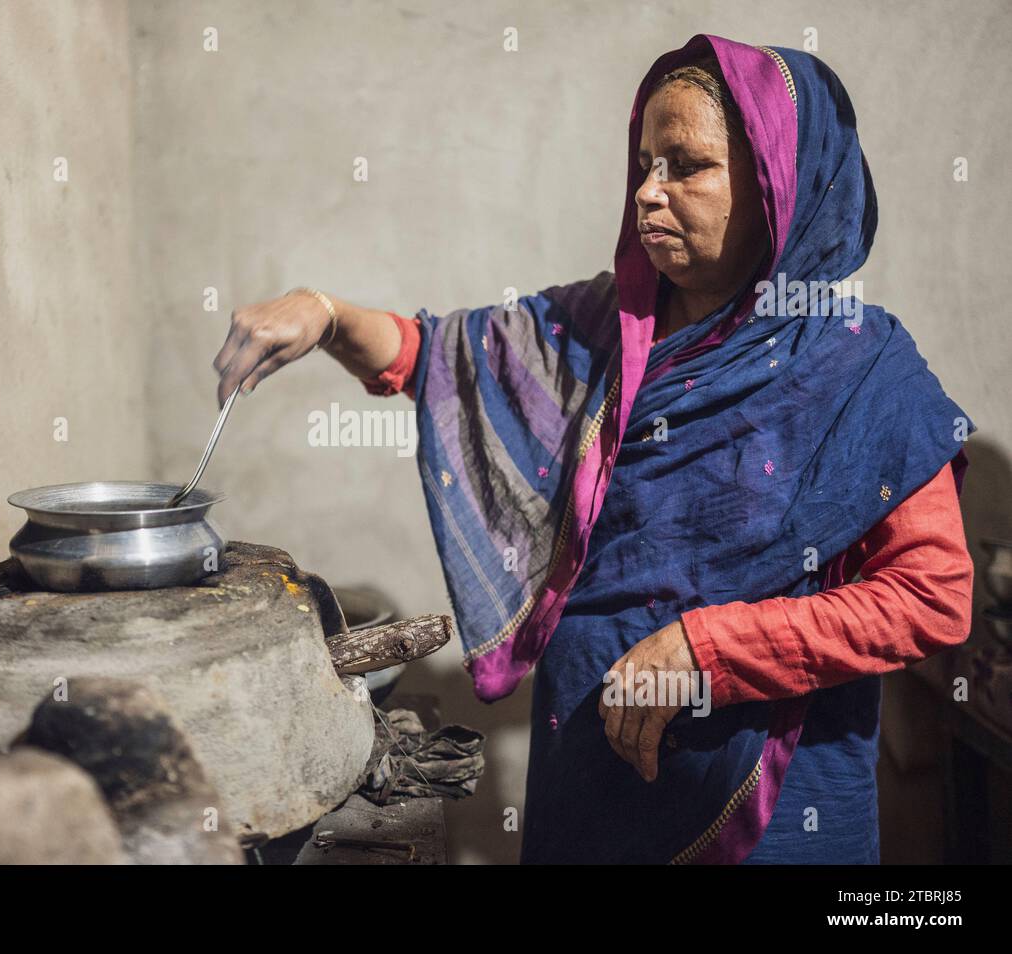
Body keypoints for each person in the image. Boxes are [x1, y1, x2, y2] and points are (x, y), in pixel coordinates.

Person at [211, 34, 974, 863]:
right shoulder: (603, 331)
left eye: (687, 165)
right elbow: (434, 355)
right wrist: (322, 314)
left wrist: (705, 650)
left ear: (778, 183)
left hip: (769, 808)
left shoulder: (860, 367)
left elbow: (931, 597)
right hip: (587, 770)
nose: (648, 192)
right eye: (645, 162)